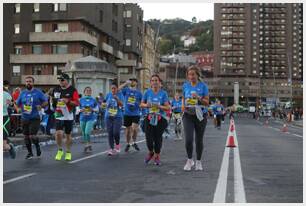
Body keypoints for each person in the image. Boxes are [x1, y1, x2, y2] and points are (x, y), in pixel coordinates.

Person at [182, 66, 209, 171]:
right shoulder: (185, 86)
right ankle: (189, 160)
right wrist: (183, 106)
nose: (191, 76)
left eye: (193, 74)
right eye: (189, 74)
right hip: (188, 115)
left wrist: (198, 97)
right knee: (188, 140)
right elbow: (183, 98)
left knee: (199, 140)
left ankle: (198, 161)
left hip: (200, 116)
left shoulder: (203, 86)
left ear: (197, 75)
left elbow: (207, 102)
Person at [16, 76, 48, 159]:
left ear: (33, 83)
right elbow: (17, 103)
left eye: (30, 81)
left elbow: (45, 102)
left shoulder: (38, 92)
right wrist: (18, 108)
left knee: (32, 136)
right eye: (27, 81)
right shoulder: (22, 93)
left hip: (35, 117)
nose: (28, 83)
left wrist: (41, 106)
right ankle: (30, 152)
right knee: (26, 136)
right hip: (24, 117)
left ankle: (37, 146)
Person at [141, 74, 170, 166]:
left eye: (156, 80)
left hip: (160, 118)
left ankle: (157, 155)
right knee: (149, 138)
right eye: (152, 80)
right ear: (150, 83)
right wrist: (147, 105)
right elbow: (141, 104)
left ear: (159, 82)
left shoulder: (163, 93)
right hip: (149, 117)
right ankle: (151, 152)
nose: (154, 82)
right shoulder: (147, 92)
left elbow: (167, 107)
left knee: (158, 138)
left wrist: (159, 106)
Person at [51, 73, 79, 161]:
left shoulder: (72, 90)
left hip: (68, 115)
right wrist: (52, 102)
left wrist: (68, 101)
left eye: (62, 80)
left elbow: (77, 103)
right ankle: (60, 150)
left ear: (67, 80)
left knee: (68, 135)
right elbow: (53, 101)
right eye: (59, 80)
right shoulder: (56, 89)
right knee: (58, 133)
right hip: (59, 114)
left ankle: (68, 151)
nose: (60, 81)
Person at [119, 77, 143, 152]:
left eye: (134, 81)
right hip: (127, 113)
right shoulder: (126, 90)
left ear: (136, 83)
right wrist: (126, 83)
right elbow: (118, 89)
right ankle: (128, 143)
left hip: (136, 113)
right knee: (128, 131)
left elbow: (142, 102)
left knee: (134, 128)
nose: (132, 82)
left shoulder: (139, 93)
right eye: (131, 81)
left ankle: (134, 142)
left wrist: (140, 106)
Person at [104, 82, 124, 156]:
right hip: (108, 116)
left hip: (117, 116)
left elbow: (122, 105)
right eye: (112, 88)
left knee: (115, 132)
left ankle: (117, 144)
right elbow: (104, 103)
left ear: (117, 89)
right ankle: (111, 149)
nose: (113, 90)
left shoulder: (120, 95)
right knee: (110, 133)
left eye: (114, 88)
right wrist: (104, 105)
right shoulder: (108, 95)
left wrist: (117, 99)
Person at [79, 87, 99, 153]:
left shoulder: (93, 100)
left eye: (89, 90)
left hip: (90, 118)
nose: (88, 91)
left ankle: (88, 144)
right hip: (82, 118)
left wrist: (92, 109)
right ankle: (87, 144)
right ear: (84, 92)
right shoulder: (81, 100)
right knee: (83, 133)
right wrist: (80, 110)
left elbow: (97, 109)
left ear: (91, 92)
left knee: (87, 132)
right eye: (87, 90)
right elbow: (77, 109)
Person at [3, 84, 16, 159]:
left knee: (4, 147)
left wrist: (11, 104)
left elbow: (13, 105)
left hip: (4, 119)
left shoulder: (6, 94)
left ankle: (10, 147)